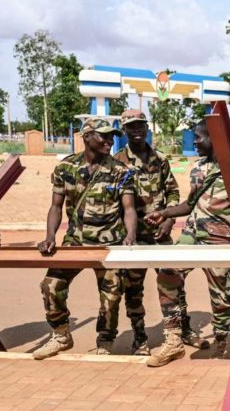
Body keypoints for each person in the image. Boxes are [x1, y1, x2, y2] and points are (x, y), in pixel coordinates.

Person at [145, 119, 230, 367]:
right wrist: (164, 213)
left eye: (200, 137)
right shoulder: (198, 169)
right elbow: (189, 204)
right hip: (191, 235)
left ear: (216, 140)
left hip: (220, 241)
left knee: (222, 300)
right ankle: (173, 339)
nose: (195, 141)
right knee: (167, 274)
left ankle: (220, 344)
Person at [33, 118, 136, 359]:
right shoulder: (65, 168)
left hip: (109, 242)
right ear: (87, 136)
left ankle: (105, 340)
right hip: (75, 242)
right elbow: (56, 207)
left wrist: (130, 235)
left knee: (110, 296)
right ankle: (60, 335)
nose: (109, 141)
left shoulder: (121, 171)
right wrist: (50, 237)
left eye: (112, 136)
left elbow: (129, 208)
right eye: (103, 136)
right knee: (51, 286)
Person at [113, 109, 185, 355]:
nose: (136, 131)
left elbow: (173, 192)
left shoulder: (160, 159)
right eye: (131, 127)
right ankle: (140, 337)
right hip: (133, 237)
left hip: (161, 234)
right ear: (124, 130)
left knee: (172, 283)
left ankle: (178, 331)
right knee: (133, 289)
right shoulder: (118, 161)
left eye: (140, 126)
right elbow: (115, 201)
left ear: (146, 128)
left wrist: (168, 219)